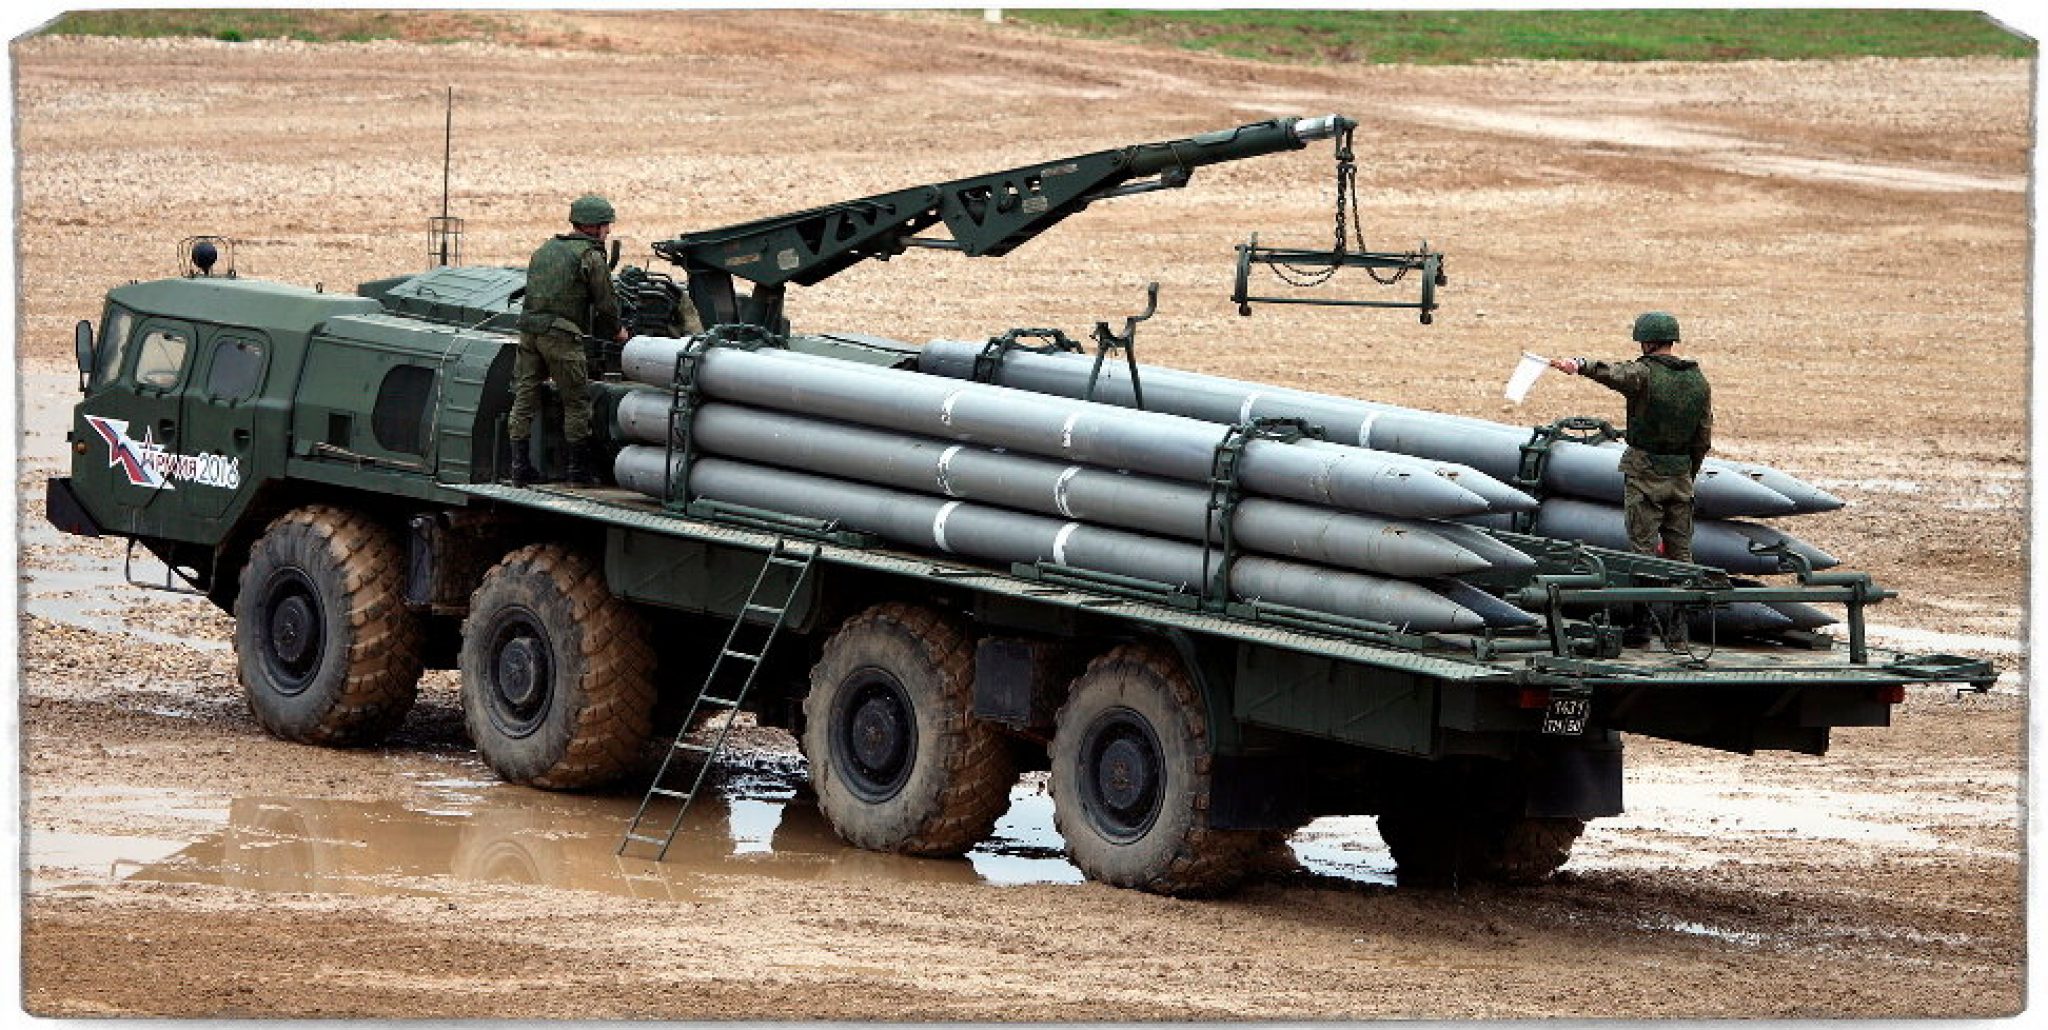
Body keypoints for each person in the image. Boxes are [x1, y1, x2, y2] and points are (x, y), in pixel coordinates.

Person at [1549, 311, 1714, 564]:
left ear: (1647, 342)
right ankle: (1684, 590)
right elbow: (1702, 440)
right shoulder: (1698, 381)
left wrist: (1580, 365)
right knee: (1681, 554)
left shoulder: (1643, 374)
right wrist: (1687, 475)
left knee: (1643, 554)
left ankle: (1647, 592)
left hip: (1644, 476)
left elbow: (1613, 373)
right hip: (1681, 478)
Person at [508, 194, 629, 487]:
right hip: (561, 336)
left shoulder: (545, 249)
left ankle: (519, 469)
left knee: (524, 398)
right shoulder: (590, 256)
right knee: (577, 401)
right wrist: (618, 331)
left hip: (529, 332)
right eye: (605, 225)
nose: (608, 231)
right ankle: (578, 472)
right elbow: (606, 303)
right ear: (593, 227)